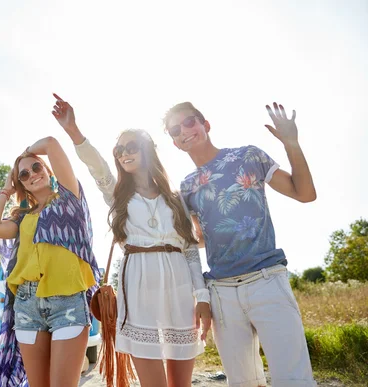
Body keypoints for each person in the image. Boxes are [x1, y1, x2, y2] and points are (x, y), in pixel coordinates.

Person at [53, 94, 210, 387]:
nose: (124, 153)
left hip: (179, 285)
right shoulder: (117, 194)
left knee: (181, 384)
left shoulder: (176, 198)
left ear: (148, 149)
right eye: (119, 149)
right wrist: (73, 131)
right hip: (138, 282)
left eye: (131, 147)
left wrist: (201, 297)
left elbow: (189, 249)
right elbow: (97, 167)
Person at [164, 101, 317, 387]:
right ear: (174, 142)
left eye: (189, 122)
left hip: (267, 280)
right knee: (243, 382)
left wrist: (291, 143)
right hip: (222, 293)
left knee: (294, 380)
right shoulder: (186, 188)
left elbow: (305, 193)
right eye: (175, 129)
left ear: (205, 124)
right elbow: (199, 237)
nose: (184, 131)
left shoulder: (249, 156)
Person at [0, 132, 101, 387]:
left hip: (67, 301)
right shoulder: (22, 217)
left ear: (48, 170)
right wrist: (6, 188)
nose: (32, 174)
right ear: (21, 184)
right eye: (23, 175)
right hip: (27, 304)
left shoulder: (70, 201)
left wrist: (24, 154)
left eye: (36, 167)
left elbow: (50, 143)